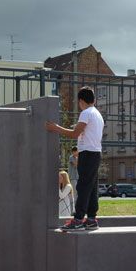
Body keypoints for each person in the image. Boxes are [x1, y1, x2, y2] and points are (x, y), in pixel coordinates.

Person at [46, 86, 104, 230]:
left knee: (83, 186)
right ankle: (91, 219)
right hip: (96, 153)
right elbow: (83, 131)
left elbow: (74, 134)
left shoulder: (86, 113)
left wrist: (56, 128)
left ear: (80, 101)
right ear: (94, 99)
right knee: (91, 187)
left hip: (87, 153)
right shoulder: (97, 114)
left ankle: (78, 220)